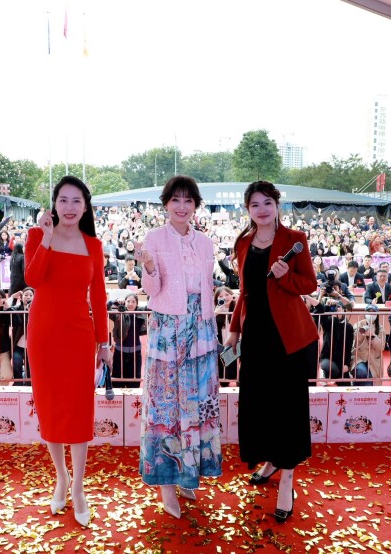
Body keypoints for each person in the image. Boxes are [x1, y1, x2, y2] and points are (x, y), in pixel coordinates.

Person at [224, 180, 318, 524]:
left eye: (267, 203)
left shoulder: (295, 239)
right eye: (254, 205)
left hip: (288, 338)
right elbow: (245, 291)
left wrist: (285, 276)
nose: (261, 210)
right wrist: (234, 330)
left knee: (288, 409)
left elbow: (309, 284)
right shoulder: (243, 242)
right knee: (260, 406)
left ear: (277, 205)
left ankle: (287, 477)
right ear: (247, 209)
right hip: (255, 338)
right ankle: (272, 460)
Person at [133, 175, 221, 520]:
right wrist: (148, 265)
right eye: (175, 200)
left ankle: (189, 474)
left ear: (195, 205)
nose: (182, 207)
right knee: (166, 406)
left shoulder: (206, 243)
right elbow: (152, 289)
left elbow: (206, 287)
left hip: (201, 329)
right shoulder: (154, 238)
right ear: (166, 204)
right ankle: (167, 483)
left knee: (197, 404)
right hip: (168, 330)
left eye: (188, 200)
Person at [25, 175, 110, 528]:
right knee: (51, 409)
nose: (70, 207)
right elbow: (33, 279)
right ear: (54, 204)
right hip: (44, 335)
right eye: (63, 200)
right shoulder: (36, 236)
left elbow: (99, 297)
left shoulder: (94, 245)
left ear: (85, 206)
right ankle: (61, 477)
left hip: (79, 336)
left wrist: (104, 343)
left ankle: (78, 488)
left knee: (77, 411)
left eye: (77, 201)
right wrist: (46, 238)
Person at [108, 293, 146, 388]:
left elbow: (151, 306)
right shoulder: (118, 313)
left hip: (136, 354)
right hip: (119, 353)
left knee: (134, 384)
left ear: (137, 304)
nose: (130, 304)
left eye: (133, 302)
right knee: (116, 383)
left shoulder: (141, 314)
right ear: (124, 302)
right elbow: (105, 307)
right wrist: (115, 301)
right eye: (128, 301)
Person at [352, 304, 384, 385]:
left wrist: (372, 335)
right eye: (369, 312)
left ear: (377, 315)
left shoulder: (380, 329)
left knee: (369, 379)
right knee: (361, 372)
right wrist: (361, 333)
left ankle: (362, 391)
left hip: (373, 359)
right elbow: (355, 343)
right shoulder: (358, 324)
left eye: (373, 312)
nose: (371, 314)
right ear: (365, 313)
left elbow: (381, 347)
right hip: (359, 357)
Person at [214, 286, 238, 385]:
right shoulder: (215, 312)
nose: (224, 297)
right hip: (222, 348)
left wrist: (237, 300)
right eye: (220, 296)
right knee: (224, 380)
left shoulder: (236, 308)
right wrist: (215, 313)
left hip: (236, 347)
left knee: (234, 375)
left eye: (227, 294)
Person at [9, 287, 32, 386]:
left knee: (30, 368)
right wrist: (13, 298)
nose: (28, 297)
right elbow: (8, 309)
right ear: (22, 297)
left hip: (31, 347)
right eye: (26, 295)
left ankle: (28, 383)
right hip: (18, 346)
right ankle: (17, 382)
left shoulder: (38, 310)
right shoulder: (17, 309)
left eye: (31, 295)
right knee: (16, 362)